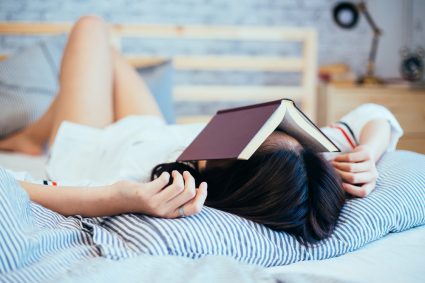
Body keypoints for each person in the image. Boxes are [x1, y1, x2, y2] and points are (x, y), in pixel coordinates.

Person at [0, 16, 403, 244]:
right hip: (153, 128)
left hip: (93, 142)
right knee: (101, 46)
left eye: (251, 138)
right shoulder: (297, 169)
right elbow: (376, 112)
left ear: (212, 164)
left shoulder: (141, 186)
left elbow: (12, 185)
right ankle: (32, 133)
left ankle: (33, 139)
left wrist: (113, 198)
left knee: (89, 28)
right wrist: (369, 151)